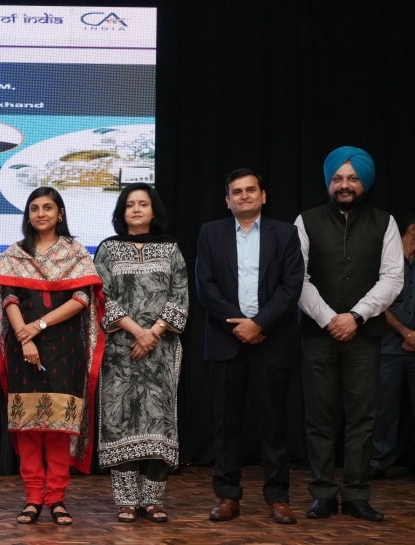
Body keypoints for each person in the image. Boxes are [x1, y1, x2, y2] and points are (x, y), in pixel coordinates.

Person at [0, 186, 103, 526]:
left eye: (48, 207)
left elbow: (81, 300)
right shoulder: (15, 254)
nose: (41, 214)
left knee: (60, 427)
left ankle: (57, 499)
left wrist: (39, 325)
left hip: (65, 347)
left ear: (60, 213)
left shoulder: (75, 253)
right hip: (24, 348)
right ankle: (34, 498)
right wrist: (25, 337)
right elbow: (8, 298)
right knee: (29, 427)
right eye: (34, 208)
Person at [295, 146, 402, 522]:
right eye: (338, 178)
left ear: (364, 183)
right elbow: (298, 278)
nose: (345, 184)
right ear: (328, 183)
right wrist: (329, 319)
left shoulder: (385, 222)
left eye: (353, 178)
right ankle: (322, 494)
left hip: (365, 337)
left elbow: (393, 278)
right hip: (317, 336)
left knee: (362, 418)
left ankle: (357, 494)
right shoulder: (306, 221)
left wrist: (356, 316)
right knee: (319, 418)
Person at [195, 169, 304, 524]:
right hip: (225, 341)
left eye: (250, 190)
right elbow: (205, 285)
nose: (244, 196)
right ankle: (227, 496)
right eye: (237, 192)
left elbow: (291, 286)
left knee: (274, 424)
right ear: (227, 200)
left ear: (263, 196)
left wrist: (259, 324)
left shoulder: (285, 233)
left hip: (272, 340)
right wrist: (239, 326)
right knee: (226, 424)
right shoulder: (210, 233)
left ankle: (278, 497)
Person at [94, 182, 188, 523]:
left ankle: (152, 501)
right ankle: (126, 501)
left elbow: (180, 296)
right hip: (118, 352)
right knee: (120, 420)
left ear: (153, 211)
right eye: (130, 204)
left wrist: (154, 334)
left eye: (143, 204)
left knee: (158, 421)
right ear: (122, 212)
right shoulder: (108, 250)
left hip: (161, 351)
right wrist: (137, 332)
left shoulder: (171, 249)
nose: (136, 209)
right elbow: (101, 297)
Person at [370, 209, 415, 480]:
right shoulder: (386, 260)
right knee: (385, 408)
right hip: (388, 347)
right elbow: (377, 302)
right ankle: (379, 461)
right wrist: (406, 333)